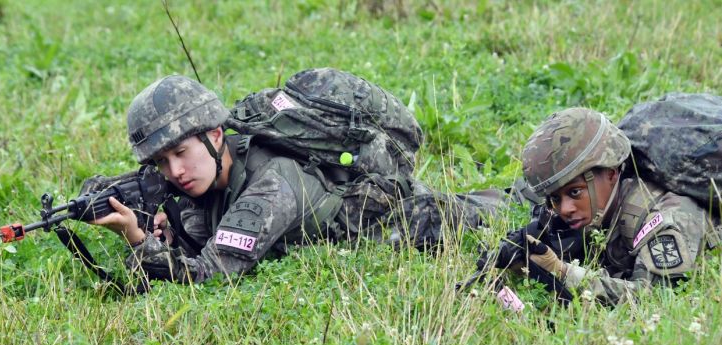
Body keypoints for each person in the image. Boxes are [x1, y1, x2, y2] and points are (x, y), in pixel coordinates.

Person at [92, 75, 507, 283]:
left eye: (181, 153)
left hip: (392, 219)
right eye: (162, 163)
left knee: (499, 210)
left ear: (216, 135)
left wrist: (137, 241)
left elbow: (212, 275)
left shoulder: (271, 186)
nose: (175, 172)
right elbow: (201, 229)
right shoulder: (213, 172)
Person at [519, 107, 721, 305]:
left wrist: (561, 271)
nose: (565, 209)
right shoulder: (600, 204)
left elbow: (653, 298)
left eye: (575, 192)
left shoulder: (664, 220)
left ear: (611, 173)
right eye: (555, 198)